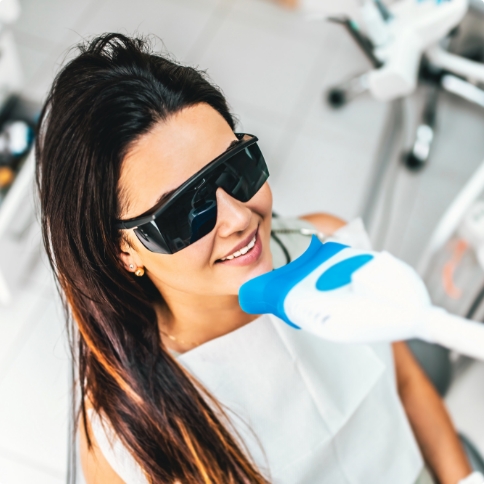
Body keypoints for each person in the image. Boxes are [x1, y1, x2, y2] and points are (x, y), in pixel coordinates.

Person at [35, 33, 473, 484]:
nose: (239, 218)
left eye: (234, 169)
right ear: (123, 250)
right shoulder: (124, 435)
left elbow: (406, 384)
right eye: (186, 210)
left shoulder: (323, 239)